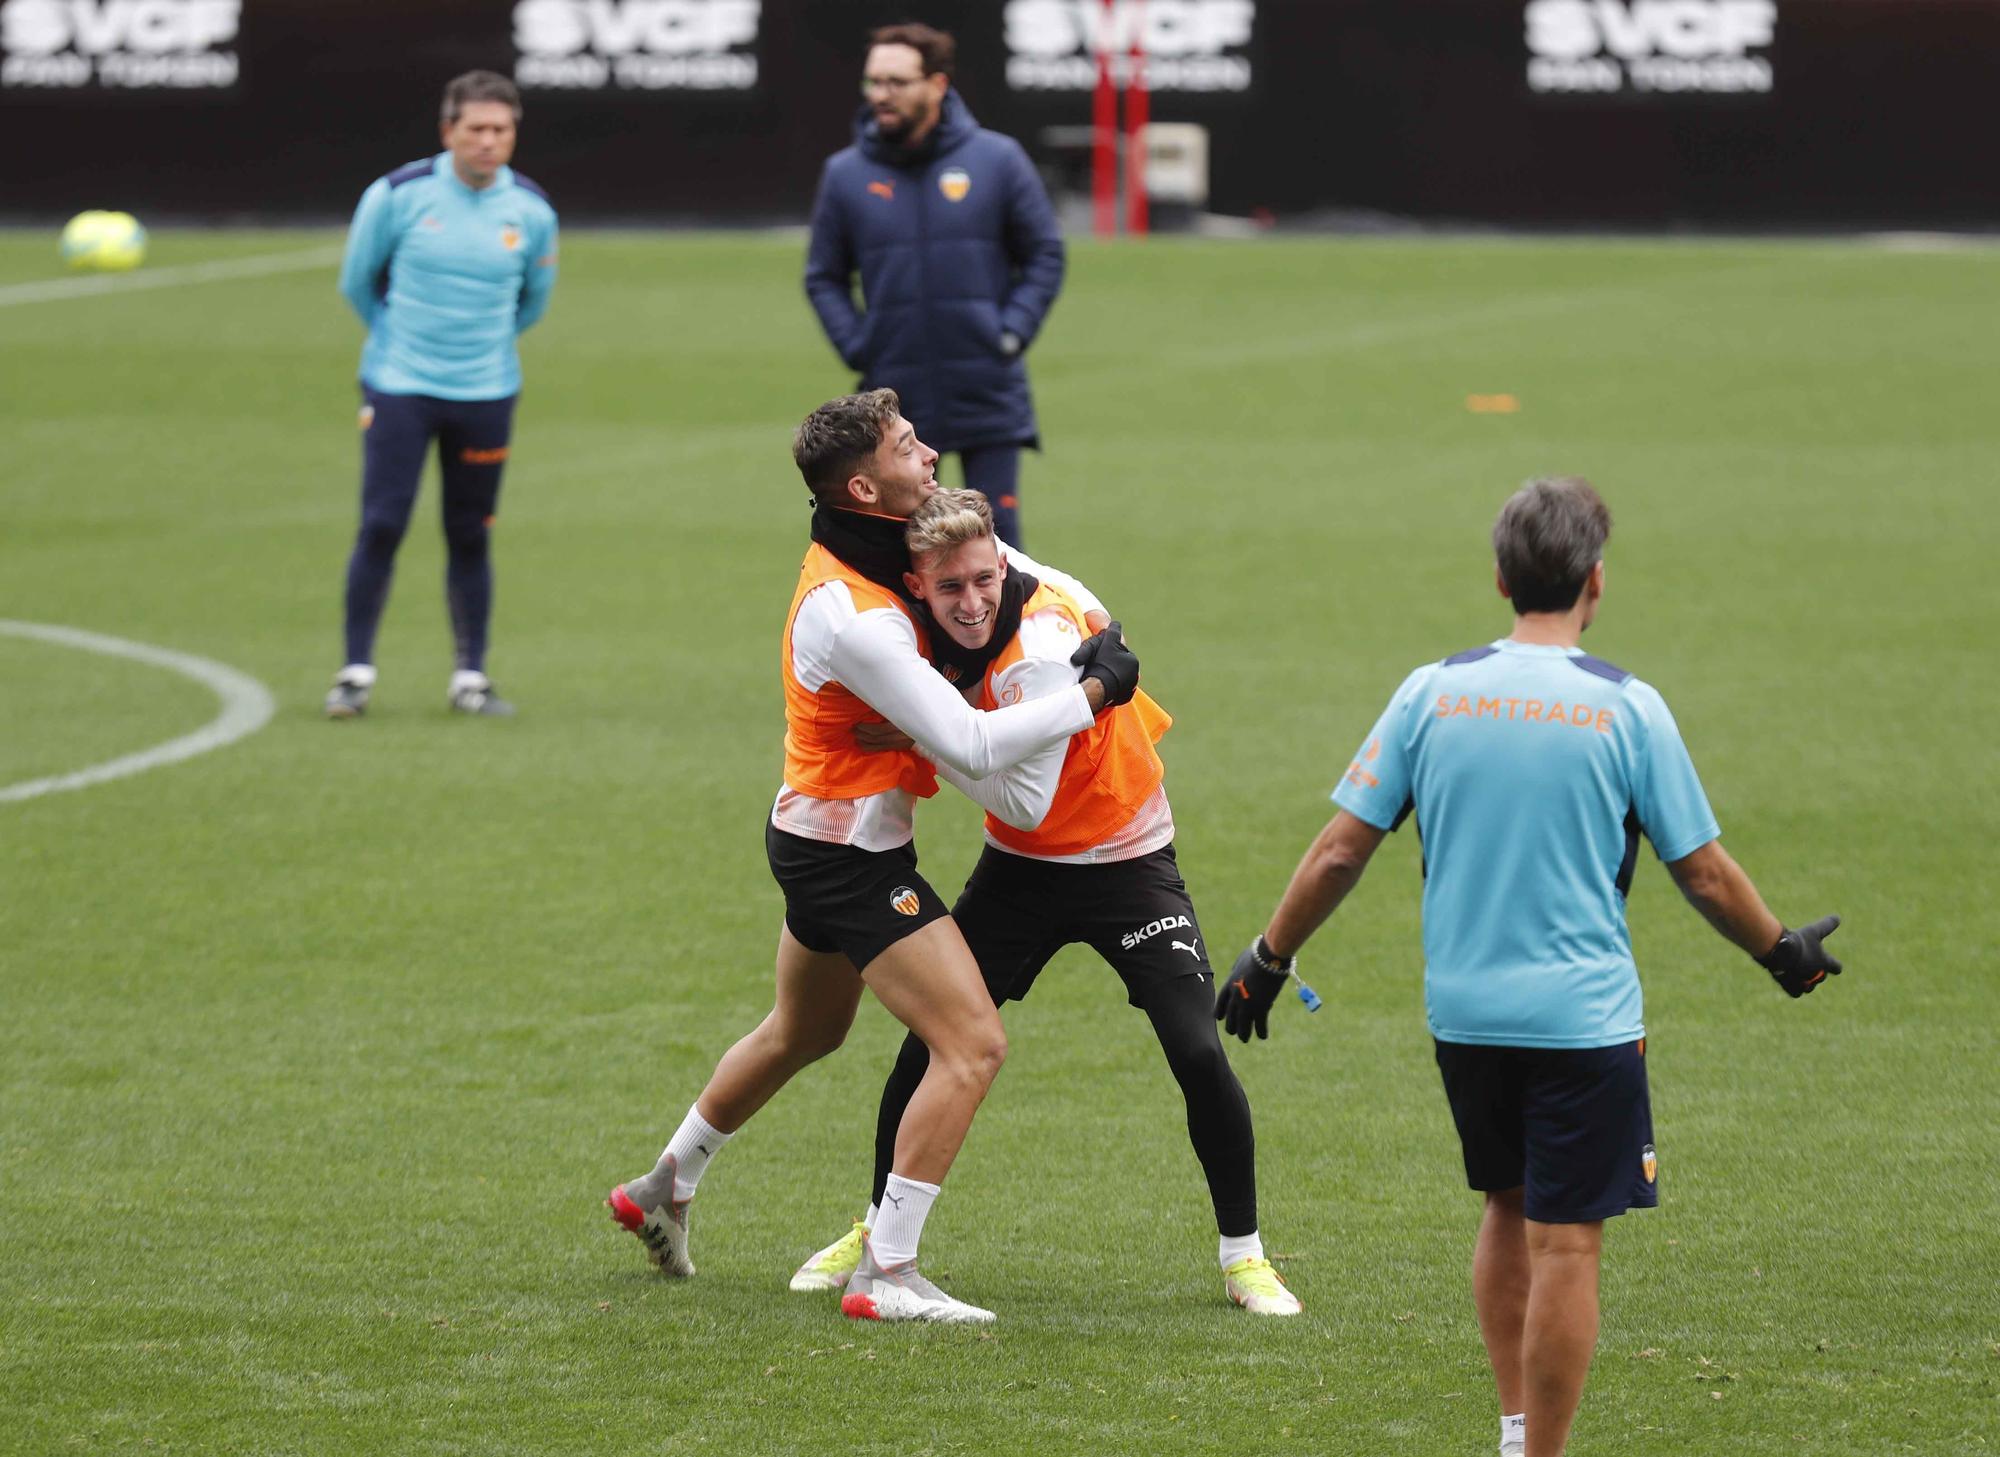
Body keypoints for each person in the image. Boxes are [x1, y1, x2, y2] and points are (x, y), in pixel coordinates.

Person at [1216, 477, 1844, 1456]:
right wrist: (1781, 951)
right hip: (1582, 1020)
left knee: (1503, 1207)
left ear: (1500, 576)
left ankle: (1512, 1428)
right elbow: (1703, 872)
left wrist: (1266, 955)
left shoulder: (1430, 690)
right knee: (1567, 1240)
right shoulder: (1625, 707)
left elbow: (1341, 848)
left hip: (1464, 1015)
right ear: (1595, 580)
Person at [606, 391, 1141, 1325]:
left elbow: (1004, 562)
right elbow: (973, 746)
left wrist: (1078, 603)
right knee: (973, 1044)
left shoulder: (887, 541)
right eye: (906, 445)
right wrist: (1095, 689)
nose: (928, 451)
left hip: (815, 838)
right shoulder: (853, 613)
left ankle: (665, 1184)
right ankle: (886, 1270)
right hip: (848, 858)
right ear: (864, 484)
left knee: (803, 1031)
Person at [788, 490, 1301, 1318]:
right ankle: (880, 1230)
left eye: (984, 581)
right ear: (918, 585)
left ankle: (1245, 1258)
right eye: (951, 586)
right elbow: (1047, 577)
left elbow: (1024, 796)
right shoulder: (971, 583)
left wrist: (920, 735)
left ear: (999, 566)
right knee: (931, 1044)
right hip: (1020, 871)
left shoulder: (1043, 648)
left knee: (1196, 1049)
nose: (974, 599)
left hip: (1128, 860)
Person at [326, 70, 559, 719]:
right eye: (476, 129)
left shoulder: (532, 210)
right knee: (382, 524)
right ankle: (354, 674)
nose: (488, 141)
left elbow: (532, 302)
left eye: (501, 130)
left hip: (486, 394)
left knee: (471, 532)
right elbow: (357, 282)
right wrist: (399, 345)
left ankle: (471, 679)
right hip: (400, 387)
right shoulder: (398, 195)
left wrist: (478, 351)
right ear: (447, 132)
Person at [805, 22, 1064, 550]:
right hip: (896, 397)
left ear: (938, 85)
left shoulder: (998, 160)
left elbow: (1044, 255)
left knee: (995, 550)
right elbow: (823, 276)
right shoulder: (845, 174)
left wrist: (1009, 333)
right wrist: (860, 345)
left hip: (987, 387)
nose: (882, 94)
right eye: (874, 82)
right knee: (905, 549)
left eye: (897, 82)